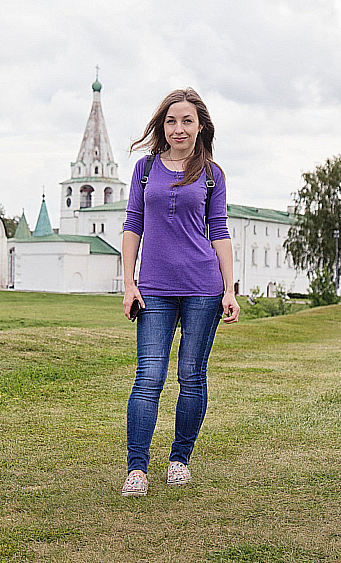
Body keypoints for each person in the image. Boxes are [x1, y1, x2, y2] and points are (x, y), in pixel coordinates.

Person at [120, 87, 240, 497]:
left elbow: (219, 231)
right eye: (171, 120)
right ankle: (137, 469)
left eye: (187, 120)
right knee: (148, 376)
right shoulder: (144, 169)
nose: (178, 128)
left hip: (203, 289)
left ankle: (178, 460)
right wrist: (129, 283)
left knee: (191, 376)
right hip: (153, 288)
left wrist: (229, 289)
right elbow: (133, 223)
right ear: (162, 125)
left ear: (200, 125)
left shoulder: (211, 174)